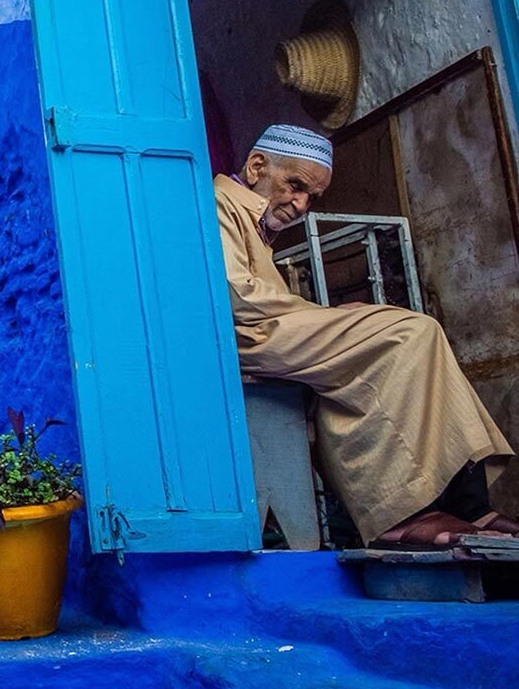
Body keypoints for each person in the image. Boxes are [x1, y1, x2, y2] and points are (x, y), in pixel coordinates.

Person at [215, 124, 516, 548]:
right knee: (410, 332)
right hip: (251, 334)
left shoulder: (254, 220)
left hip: (270, 330)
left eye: (311, 197)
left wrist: (328, 321)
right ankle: (405, 514)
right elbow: (237, 298)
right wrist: (326, 317)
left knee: (415, 345)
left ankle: (468, 505)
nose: (301, 204)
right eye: (295, 185)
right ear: (257, 166)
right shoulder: (219, 201)